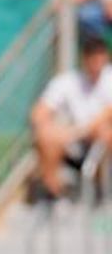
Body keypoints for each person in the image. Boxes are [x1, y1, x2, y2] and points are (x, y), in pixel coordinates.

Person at [31, 34, 112, 199]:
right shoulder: (67, 81)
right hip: (74, 144)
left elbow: (105, 116)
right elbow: (39, 113)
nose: (96, 62)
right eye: (92, 56)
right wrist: (59, 131)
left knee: (104, 131)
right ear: (84, 58)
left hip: (99, 141)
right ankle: (55, 193)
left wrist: (81, 130)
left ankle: (100, 190)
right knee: (44, 136)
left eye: (99, 56)